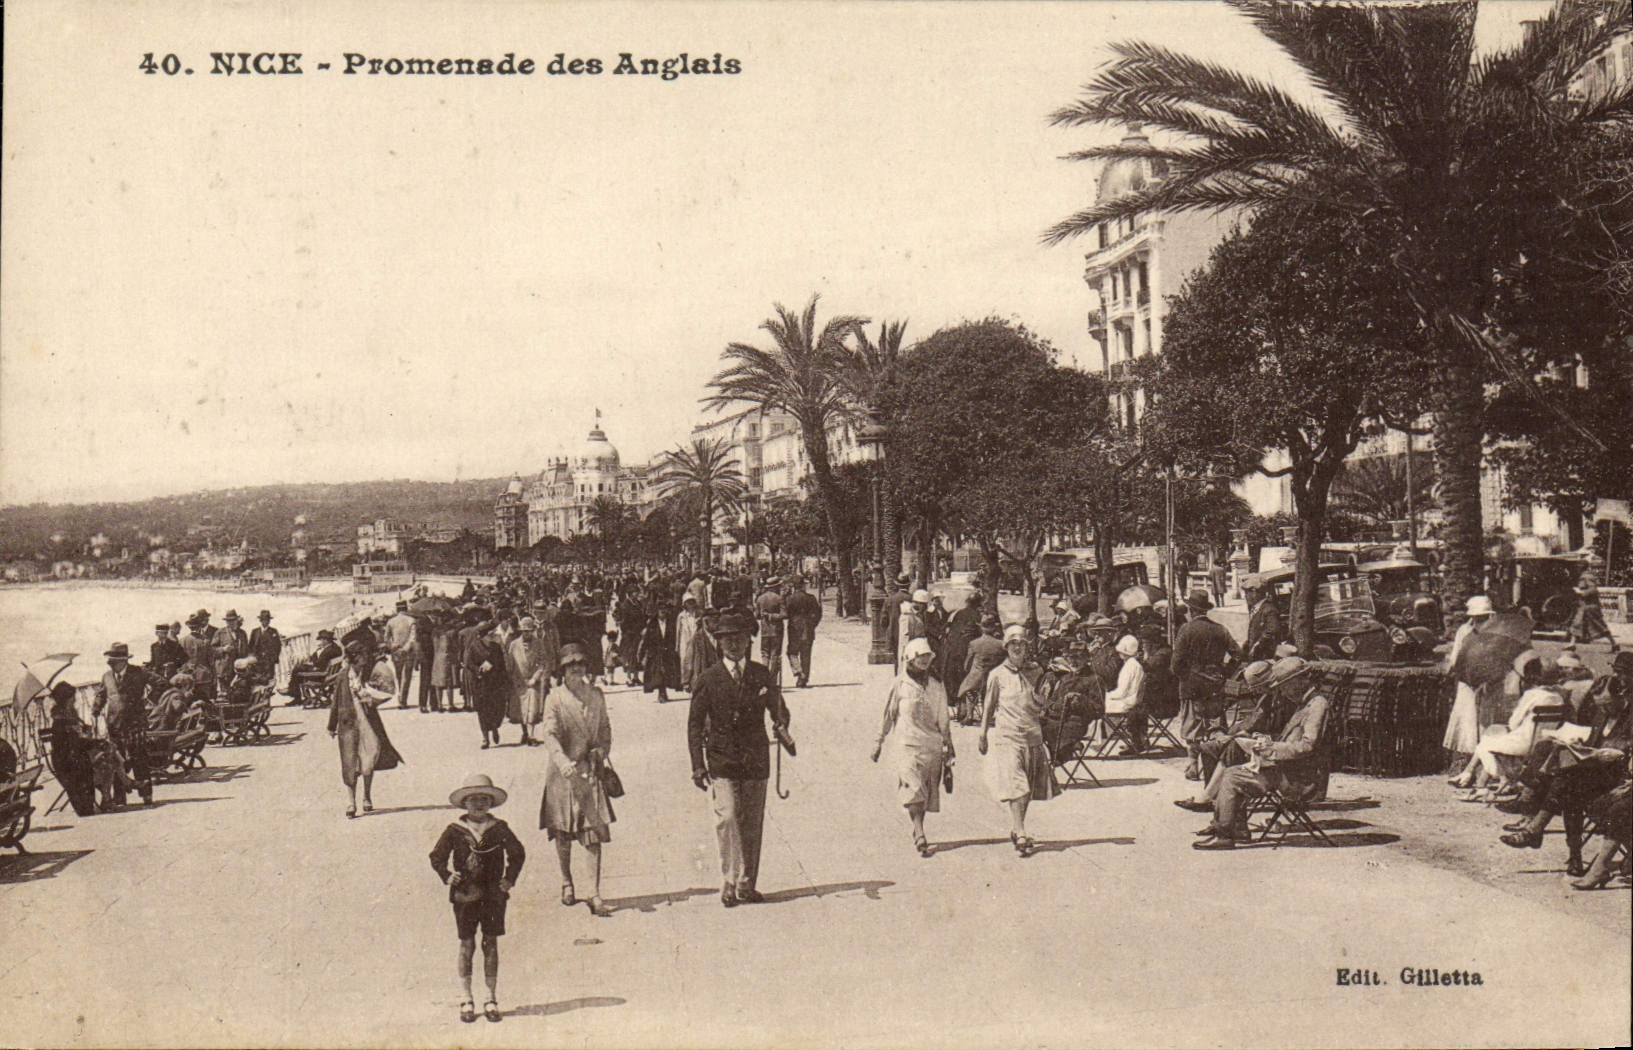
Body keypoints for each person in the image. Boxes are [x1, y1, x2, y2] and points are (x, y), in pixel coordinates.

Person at [687, 612, 791, 908]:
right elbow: (694, 725)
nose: (734, 644)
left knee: (752, 824)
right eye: (727, 639)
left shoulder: (761, 675)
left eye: (740, 638)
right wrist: (697, 765)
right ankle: (729, 881)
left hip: (756, 759)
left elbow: (779, 710)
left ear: (749, 641)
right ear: (719, 643)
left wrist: (781, 721)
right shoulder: (708, 679)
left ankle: (747, 884)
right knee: (728, 818)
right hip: (722, 760)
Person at [1193, 660, 1331, 849]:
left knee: (1232, 775)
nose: (1283, 691)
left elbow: (1308, 746)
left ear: (1300, 680)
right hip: (1288, 770)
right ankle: (1228, 828)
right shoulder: (1306, 703)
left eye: (1286, 686)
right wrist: (1265, 743)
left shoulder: (1316, 705)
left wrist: (1271, 748)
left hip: (1299, 779)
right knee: (1232, 767)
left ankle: (1225, 834)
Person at [430, 774, 526, 1024]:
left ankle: (490, 997)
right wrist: (446, 875)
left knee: (491, 943)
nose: (479, 804)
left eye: (484, 799)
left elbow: (517, 853)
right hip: (465, 895)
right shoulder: (455, 831)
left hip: (494, 895)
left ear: (491, 803)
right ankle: (466, 998)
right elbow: (437, 856)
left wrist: (509, 880)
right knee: (466, 944)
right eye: (473, 800)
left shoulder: (500, 828)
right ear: (465, 804)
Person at [540, 643, 615, 917]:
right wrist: (562, 762)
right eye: (570, 666)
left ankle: (594, 893)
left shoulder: (596, 695)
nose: (576, 670)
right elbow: (549, 733)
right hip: (563, 775)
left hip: (590, 771)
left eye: (580, 664)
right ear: (562, 670)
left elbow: (605, 728)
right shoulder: (555, 698)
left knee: (592, 833)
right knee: (563, 833)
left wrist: (602, 749)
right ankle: (566, 881)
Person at [978, 624, 1059, 856]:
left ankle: (1016, 827)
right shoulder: (997, 675)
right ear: (1006, 646)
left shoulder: (1036, 672)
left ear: (1027, 647)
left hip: (1032, 736)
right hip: (1007, 737)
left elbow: (1043, 704)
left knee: (1028, 789)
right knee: (1018, 786)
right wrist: (983, 733)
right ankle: (1022, 831)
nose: (1017, 647)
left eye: (1021, 644)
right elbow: (988, 705)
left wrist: (1045, 695)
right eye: (1013, 643)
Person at [871, 637, 953, 857]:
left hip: (931, 746)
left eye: (927, 657)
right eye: (920, 657)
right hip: (906, 745)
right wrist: (878, 742)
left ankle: (918, 826)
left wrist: (949, 746)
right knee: (913, 788)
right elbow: (888, 715)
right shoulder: (900, 684)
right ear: (910, 659)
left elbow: (943, 718)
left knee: (923, 793)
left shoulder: (937, 685)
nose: (924, 661)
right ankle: (919, 832)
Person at [327, 624, 404, 818]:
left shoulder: (368, 674)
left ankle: (367, 797)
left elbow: (384, 691)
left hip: (368, 724)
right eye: (361, 658)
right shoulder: (343, 676)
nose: (365, 660)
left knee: (368, 760)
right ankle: (351, 802)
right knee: (349, 763)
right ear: (354, 658)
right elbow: (335, 702)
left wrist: (371, 695)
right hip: (347, 726)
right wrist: (330, 725)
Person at [1170, 590, 1242, 781]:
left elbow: (1176, 663)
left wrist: (1185, 676)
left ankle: (1193, 766)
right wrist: (1224, 672)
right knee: (1215, 724)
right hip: (1215, 685)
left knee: (1192, 726)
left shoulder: (1186, 630)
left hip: (1192, 686)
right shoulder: (1220, 629)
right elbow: (1238, 654)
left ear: (1191, 610)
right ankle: (1217, 765)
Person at [93, 642, 158, 807]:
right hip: (114, 725)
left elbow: (160, 683)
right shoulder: (106, 677)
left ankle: (146, 795)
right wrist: (95, 710)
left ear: (123, 660)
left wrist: (149, 700)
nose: (110, 663)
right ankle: (120, 797)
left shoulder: (138, 673)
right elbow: (101, 695)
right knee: (116, 761)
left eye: (113, 660)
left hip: (135, 724)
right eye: (110, 661)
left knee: (139, 759)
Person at [1443, 595, 1495, 766]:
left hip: (1489, 680)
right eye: (1477, 617)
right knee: (1467, 718)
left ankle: (1485, 760)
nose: (1480, 620)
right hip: (1468, 680)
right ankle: (1465, 759)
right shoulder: (1464, 632)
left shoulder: (1495, 631)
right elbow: (1456, 657)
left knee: (1487, 720)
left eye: (1483, 617)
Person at [47, 680, 100, 817]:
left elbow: (78, 742)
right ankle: (97, 801)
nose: (75, 702)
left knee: (106, 755)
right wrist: (87, 738)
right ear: (66, 700)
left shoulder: (69, 717)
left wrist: (86, 734)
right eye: (73, 699)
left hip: (74, 756)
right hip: (67, 761)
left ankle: (105, 798)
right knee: (100, 761)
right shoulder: (61, 721)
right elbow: (71, 745)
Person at [956, 615, 1006, 726]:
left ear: (981, 628)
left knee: (968, 689)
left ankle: (969, 714)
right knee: (987, 692)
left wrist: (968, 670)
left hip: (976, 677)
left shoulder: (974, 643)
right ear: (993, 628)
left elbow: (967, 664)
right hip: (993, 678)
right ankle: (987, 715)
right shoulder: (1000, 644)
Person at [1103, 634, 1148, 752]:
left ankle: (1100, 737)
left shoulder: (1129, 666)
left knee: (1097, 704)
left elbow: (1121, 692)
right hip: (1133, 700)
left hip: (1127, 702)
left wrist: (1107, 695)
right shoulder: (1135, 664)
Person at [506, 617, 547, 745]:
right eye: (524, 631)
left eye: (529, 631)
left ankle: (532, 735)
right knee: (520, 710)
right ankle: (525, 733)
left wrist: (535, 678)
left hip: (532, 681)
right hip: (518, 681)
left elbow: (543, 663)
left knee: (532, 709)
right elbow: (510, 664)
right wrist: (511, 678)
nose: (527, 634)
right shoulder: (514, 645)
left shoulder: (539, 644)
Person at [784, 576, 822, 689]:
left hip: (794, 629)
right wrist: (812, 625)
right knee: (806, 655)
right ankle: (803, 679)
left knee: (791, 652)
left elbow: (785, 613)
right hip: (808, 629)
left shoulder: (790, 599)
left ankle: (798, 670)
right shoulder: (811, 598)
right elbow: (818, 614)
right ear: (802, 585)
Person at [1568, 576, 1620, 653]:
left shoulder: (1586, 576)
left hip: (1590, 607)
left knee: (1600, 626)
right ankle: (1572, 644)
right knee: (1577, 624)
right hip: (1585, 606)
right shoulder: (1584, 576)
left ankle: (1614, 644)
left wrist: (1580, 593)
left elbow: (1593, 590)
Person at [639, 603, 677, 703]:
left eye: (664, 609)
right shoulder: (652, 623)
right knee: (658, 673)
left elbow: (675, 637)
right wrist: (642, 653)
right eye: (660, 610)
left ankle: (663, 692)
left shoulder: (671, 623)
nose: (663, 612)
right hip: (655, 652)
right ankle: (661, 693)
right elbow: (646, 639)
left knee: (667, 672)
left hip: (668, 651)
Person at [385, 600, 419, 708]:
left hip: (396, 652)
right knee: (406, 676)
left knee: (399, 675)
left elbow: (386, 638)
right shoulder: (411, 620)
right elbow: (413, 637)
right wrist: (406, 647)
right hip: (408, 652)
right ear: (406, 609)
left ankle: (400, 698)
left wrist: (392, 647)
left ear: (397, 609)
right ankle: (403, 700)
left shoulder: (391, 621)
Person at [754, 577, 787, 685]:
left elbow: (757, 615)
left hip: (764, 630)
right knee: (775, 654)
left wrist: (765, 616)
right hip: (776, 630)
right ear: (775, 587)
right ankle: (772, 679)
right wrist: (771, 616)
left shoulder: (760, 598)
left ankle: (764, 677)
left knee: (764, 654)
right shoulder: (779, 598)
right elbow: (784, 615)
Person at [1242, 577, 1282, 663]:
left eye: (1247, 593)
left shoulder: (1269, 610)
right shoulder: (1258, 608)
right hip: (1257, 656)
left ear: (1254, 593)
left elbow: (1272, 631)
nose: (1245, 596)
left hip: (1264, 657)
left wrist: (1257, 645)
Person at [897, 590, 929, 675]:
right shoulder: (907, 616)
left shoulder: (917, 615)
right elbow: (905, 639)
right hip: (911, 652)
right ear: (919, 604)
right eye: (924, 605)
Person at [676, 596, 703, 692]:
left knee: (696, 660)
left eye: (692, 602)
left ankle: (694, 682)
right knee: (685, 661)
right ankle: (685, 682)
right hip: (684, 640)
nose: (690, 604)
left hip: (695, 639)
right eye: (688, 602)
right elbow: (678, 631)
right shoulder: (681, 616)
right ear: (685, 604)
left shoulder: (699, 614)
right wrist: (677, 645)